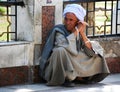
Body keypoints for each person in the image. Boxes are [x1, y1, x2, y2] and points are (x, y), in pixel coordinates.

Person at [39, 4, 110, 86]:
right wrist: (76, 32)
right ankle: (65, 78)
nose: (67, 22)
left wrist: (82, 33)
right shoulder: (58, 30)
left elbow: (90, 51)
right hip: (59, 61)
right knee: (59, 50)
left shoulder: (79, 30)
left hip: (73, 58)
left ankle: (81, 77)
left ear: (78, 21)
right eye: (66, 19)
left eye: (71, 20)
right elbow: (64, 46)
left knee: (97, 52)